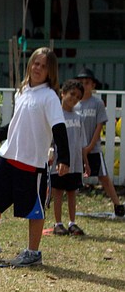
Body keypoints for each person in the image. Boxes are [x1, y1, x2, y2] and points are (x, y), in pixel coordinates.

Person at [0, 47, 71, 267]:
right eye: (35, 63)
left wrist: (64, 158)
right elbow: (17, 123)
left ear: (51, 71)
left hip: (32, 165)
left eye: (43, 66)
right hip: (9, 158)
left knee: (34, 210)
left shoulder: (50, 97)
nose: (38, 68)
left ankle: (33, 253)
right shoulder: (22, 91)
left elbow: (59, 128)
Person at [74, 67, 124, 217]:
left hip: (93, 148)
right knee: (71, 179)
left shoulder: (97, 103)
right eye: (81, 82)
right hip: (76, 150)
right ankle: (64, 208)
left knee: (103, 176)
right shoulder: (74, 104)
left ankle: (117, 205)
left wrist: (89, 147)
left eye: (87, 82)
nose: (84, 85)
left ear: (93, 85)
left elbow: (99, 126)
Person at [50, 79, 89, 236]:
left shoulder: (79, 117)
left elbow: (82, 143)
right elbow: (50, 140)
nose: (74, 99)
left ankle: (72, 222)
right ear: (63, 93)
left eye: (78, 97)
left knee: (72, 192)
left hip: (76, 163)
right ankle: (58, 223)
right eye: (72, 94)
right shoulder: (55, 116)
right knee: (58, 192)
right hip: (60, 163)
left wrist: (85, 162)